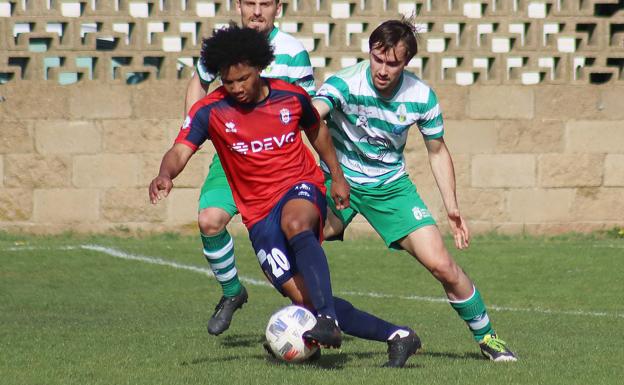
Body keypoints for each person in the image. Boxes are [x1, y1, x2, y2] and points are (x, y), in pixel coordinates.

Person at [150, 25, 421, 367]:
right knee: (304, 299)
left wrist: (337, 177)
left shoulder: (290, 97)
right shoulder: (210, 110)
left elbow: (318, 132)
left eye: (243, 79)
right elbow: (180, 149)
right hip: (258, 214)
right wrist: (165, 174)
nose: (236, 88)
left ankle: (327, 320)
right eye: (228, 82)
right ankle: (398, 336)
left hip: (299, 186)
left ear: (259, 68)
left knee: (297, 224)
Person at [312, 18, 517, 362]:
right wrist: (333, 171)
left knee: (442, 265)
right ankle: (312, 330)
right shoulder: (344, 84)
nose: (382, 69)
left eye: (392, 63)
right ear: (370, 52)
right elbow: (313, 115)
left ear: (405, 64)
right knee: (295, 249)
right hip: (338, 182)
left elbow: (437, 150)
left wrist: (452, 207)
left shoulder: (420, 96)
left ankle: (488, 339)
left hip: (391, 189)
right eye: (378, 58)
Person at [184, 0, 315, 336]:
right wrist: (197, 125)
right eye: (250, 3)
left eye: (265, 4)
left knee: (290, 258)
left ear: (278, 8)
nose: (257, 11)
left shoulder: (293, 52)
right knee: (209, 220)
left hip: (280, 167)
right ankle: (232, 292)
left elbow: (308, 112)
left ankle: (309, 325)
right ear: (238, 6)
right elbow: (198, 82)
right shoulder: (222, 46)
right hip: (233, 160)